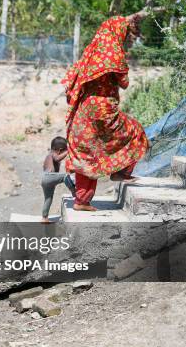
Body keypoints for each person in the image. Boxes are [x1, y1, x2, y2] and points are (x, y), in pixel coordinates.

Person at [61, 13, 149, 211]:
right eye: (125, 33)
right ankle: (121, 172)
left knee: (87, 152)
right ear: (119, 32)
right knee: (136, 132)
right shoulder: (114, 52)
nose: (126, 37)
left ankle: (81, 201)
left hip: (83, 111)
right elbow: (124, 83)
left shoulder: (90, 52)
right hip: (103, 111)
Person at [41, 136, 76, 223]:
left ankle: (44, 217)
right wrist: (69, 151)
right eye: (63, 152)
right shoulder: (53, 154)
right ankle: (74, 191)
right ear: (60, 150)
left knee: (48, 198)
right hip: (49, 176)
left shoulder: (48, 156)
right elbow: (57, 158)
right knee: (65, 176)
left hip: (45, 179)